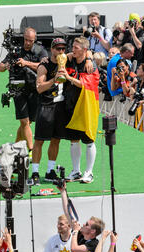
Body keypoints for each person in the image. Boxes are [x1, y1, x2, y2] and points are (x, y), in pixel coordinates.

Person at [0, 27, 48, 153]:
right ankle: (31, 150)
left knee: (28, 122)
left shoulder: (40, 51)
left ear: (34, 40)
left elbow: (44, 66)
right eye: (26, 40)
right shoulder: (16, 51)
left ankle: (15, 146)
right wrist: (7, 65)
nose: (27, 43)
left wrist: (26, 63)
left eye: (30, 41)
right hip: (18, 89)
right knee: (24, 121)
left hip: (34, 89)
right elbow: (0, 67)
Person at [59, 37, 100, 184]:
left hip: (86, 107)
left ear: (84, 50)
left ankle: (89, 172)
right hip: (70, 104)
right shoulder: (69, 59)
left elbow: (84, 84)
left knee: (89, 139)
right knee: (73, 140)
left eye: (76, 48)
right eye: (73, 47)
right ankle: (76, 171)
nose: (73, 50)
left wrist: (68, 77)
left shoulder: (91, 65)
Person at [30, 38, 67, 185]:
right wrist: (54, 80)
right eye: (58, 49)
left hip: (60, 105)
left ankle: (50, 170)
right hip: (46, 105)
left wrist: (89, 58)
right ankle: (34, 172)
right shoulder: (44, 65)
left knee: (56, 139)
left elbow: (82, 51)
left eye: (63, 49)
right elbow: (39, 87)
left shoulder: (65, 59)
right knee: (39, 140)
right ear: (52, 49)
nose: (61, 51)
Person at [57, 181, 105, 252]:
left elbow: (74, 248)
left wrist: (75, 231)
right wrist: (63, 192)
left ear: (92, 231)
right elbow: (67, 213)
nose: (83, 224)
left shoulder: (94, 244)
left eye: (87, 224)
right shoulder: (80, 234)